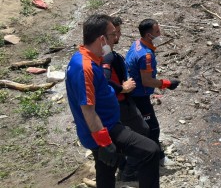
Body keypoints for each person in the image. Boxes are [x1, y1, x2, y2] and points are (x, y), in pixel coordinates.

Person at [65, 14, 160, 188]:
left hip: (104, 126)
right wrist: (105, 142)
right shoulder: (85, 67)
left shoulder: (85, 58)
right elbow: (88, 110)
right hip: (105, 130)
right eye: (112, 35)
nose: (115, 39)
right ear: (102, 39)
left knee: (107, 171)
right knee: (151, 151)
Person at [126, 18, 180, 165]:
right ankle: (158, 158)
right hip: (139, 95)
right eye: (157, 31)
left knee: (139, 125)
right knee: (152, 128)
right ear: (149, 35)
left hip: (132, 92)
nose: (160, 33)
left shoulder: (136, 44)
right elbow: (147, 80)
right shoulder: (146, 55)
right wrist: (167, 83)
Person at [102, 16, 149, 181]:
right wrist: (123, 87)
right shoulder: (107, 56)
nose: (118, 36)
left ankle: (123, 165)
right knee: (142, 130)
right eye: (116, 33)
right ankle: (129, 170)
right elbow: (104, 79)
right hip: (120, 101)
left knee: (123, 134)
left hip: (119, 100)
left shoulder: (106, 54)